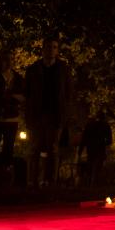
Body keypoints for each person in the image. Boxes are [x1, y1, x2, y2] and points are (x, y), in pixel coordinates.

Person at [24, 35, 71, 189]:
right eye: (48, 47)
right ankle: (32, 181)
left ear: (57, 50)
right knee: (34, 148)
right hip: (37, 114)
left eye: (54, 47)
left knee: (53, 148)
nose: (51, 50)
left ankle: (51, 181)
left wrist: (64, 113)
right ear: (43, 49)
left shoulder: (63, 69)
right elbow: (27, 93)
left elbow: (68, 92)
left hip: (55, 114)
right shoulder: (32, 69)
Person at [0, 48, 24, 168]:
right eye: (6, 59)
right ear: (1, 61)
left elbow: (23, 97)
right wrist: (11, 95)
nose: (9, 62)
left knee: (9, 147)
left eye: (11, 59)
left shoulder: (18, 78)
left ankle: (5, 173)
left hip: (11, 118)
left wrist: (4, 94)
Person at [79, 111, 112, 187]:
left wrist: (81, 149)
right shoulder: (106, 126)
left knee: (90, 164)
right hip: (100, 148)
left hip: (91, 147)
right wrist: (103, 143)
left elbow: (84, 138)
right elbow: (109, 140)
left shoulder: (90, 125)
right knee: (97, 166)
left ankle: (89, 182)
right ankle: (94, 183)